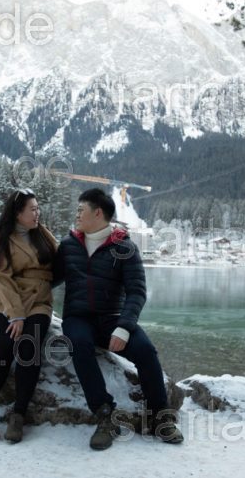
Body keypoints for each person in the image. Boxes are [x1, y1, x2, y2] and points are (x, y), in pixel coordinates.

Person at [53, 188, 183, 450]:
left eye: (81, 210)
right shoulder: (68, 246)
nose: (76, 215)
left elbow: (137, 292)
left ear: (97, 213)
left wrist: (124, 328)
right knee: (78, 344)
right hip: (78, 318)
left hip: (113, 318)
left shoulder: (125, 247)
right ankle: (105, 416)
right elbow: (47, 279)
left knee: (146, 350)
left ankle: (160, 417)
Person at [0, 188, 57, 443]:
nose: (37, 213)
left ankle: (18, 415)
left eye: (38, 208)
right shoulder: (1, 240)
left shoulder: (42, 234)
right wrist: (16, 316)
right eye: (32, 209)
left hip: (38, 301)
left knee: (29, 347)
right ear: (18, 213)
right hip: (4, 299)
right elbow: (2, 279)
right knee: (6, 345)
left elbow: (59, 264)